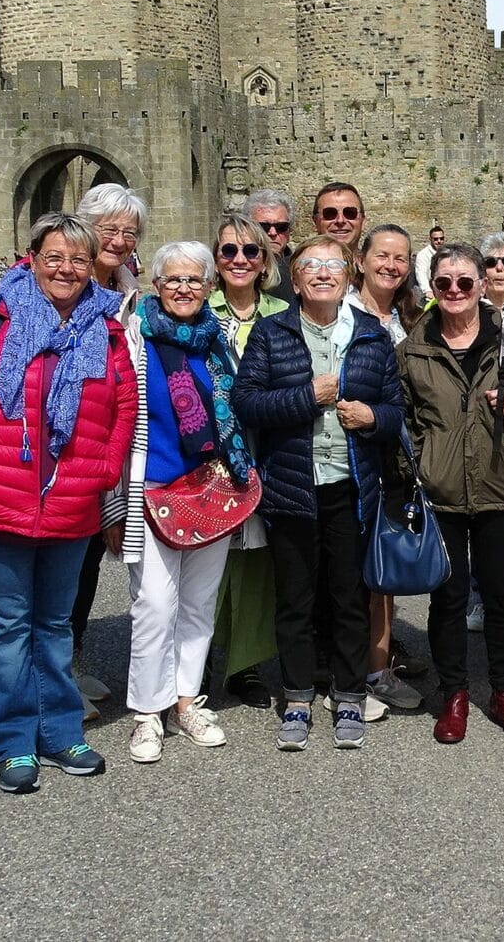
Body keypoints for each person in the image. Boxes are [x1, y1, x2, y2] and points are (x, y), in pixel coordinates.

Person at [0, 212, 137, 795]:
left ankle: (61, 729)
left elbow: (122, 407)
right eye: (54, 257)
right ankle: (15, 741)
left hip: (69, 499)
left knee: (55, 623)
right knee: (8, 625)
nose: (66, 269)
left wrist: (103, 467)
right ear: (32, 258)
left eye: (78, 259)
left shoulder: (107, 330)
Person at [234, 235, 405, 750]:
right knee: (296, 601)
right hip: (293, 487)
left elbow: (397, 412)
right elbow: (247, 403)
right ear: (297, 277)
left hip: (351, 489)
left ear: (349, 274)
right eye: (311, 266)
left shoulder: (373, 336)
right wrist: (305, 398)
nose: (323, 274)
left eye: (333, 265)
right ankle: (297, 699)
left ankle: (349, 696)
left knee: (350, 599)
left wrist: (373, 417)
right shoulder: (273, 332)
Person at [399, 243, 504, 743]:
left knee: (502, 597)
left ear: (482, 286)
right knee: (448, 599)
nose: (454, 291)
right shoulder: (412, 348)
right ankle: (453, 695)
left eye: (464, 282)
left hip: (500, 488)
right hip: (441, 491)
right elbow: (403, 421)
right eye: (444, 282)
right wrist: (415, 470)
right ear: (432, 288)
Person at [112, 242, 260, 762]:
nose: (183, 289)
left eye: (194, 281)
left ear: (208, 287)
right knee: (154, 603)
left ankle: (186, 700)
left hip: (212, 489)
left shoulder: (215, 340)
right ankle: (147, 714)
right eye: (172, 280)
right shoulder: (135, 336)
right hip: (150, 487)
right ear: (156, 285)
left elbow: (235, 411)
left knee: (198, 604)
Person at [337, 222, 428, 713]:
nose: (391, 265)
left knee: (383, 570)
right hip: (355, 455)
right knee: (350, 573)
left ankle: (377, 666)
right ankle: (349, 672)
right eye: (383, 255)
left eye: (401, 258)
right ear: (361, 259)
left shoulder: (412, 317)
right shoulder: (341, 312)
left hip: (399, 458)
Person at [68, 183, 149, 718]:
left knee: (90, 555)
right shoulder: (61, 283)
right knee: (64, 557)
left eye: (128, 232)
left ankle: (68, 660)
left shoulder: (129, 290)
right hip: (68, 441)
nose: (117, 240)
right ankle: (51, 675)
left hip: (111, 442)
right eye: (108, 228)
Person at [205, 212, 287, 707]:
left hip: (267, 448)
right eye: (228, 251)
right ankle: (196, 662)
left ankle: (245, 664)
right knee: (206, 558)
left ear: (265, 260)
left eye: (250, 251)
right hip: (208, 455)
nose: (239, 260)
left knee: (257, 563)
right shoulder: (198, 307)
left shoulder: (281, 312)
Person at [245, 187, 298, 303]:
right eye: (263, 227)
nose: (272, 233)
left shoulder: (301, 270)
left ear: (289, 231)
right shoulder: (235, 268)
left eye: (281, 227)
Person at [311, 182, 366, 250]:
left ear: (363, 221)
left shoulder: (378, 260)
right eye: (330, 213)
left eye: (350, 213)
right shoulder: (298, 260)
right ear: (315, 221)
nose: (340, 220)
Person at [415, 225, 445, 303]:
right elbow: (421, 273)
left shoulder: (446, 252)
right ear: (430, 239)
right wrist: (427, 290)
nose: (439, 241)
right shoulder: (423, 255)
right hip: (431, 292)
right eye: (435, 239)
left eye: (441, 238)